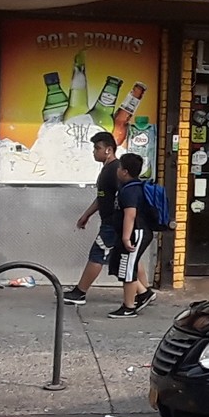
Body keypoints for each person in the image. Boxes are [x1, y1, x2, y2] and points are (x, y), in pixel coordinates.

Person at [61, 132, 121, 305]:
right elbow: (102, 198)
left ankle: (80, 292)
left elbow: (122, 196)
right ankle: (143, 292)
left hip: (112, 223)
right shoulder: (107, 169)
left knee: (97, 254)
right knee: (128, 256)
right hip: (111, 221)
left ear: (108, 150)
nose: (94, 152)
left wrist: (121, 220)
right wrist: (87, 215)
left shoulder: (115, 170)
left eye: (97, 148)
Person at [107, 152, 159, 317]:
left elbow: (130, 214)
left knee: (128, 270)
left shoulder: (131, 191)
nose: (118, 170)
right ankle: (144, 294)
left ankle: (129, 307)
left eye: (120, 167)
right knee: (121, 266)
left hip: (136, 233)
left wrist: (125, 237)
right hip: (134, 233)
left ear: (125, 171)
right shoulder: (130, 187)